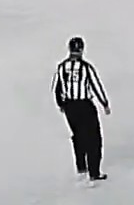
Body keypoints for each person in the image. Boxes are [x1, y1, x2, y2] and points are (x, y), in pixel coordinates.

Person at [52, 36, 110, 181]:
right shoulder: (86, 68)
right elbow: (96, 86)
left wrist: (62, 104)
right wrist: (104, 103)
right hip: (84, 105)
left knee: (78, 135)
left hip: (70, 106)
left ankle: (81, 167)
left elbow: (56, 88)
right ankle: (94, 172)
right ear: (82, 49)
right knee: (93, 138)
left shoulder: (62, 67)